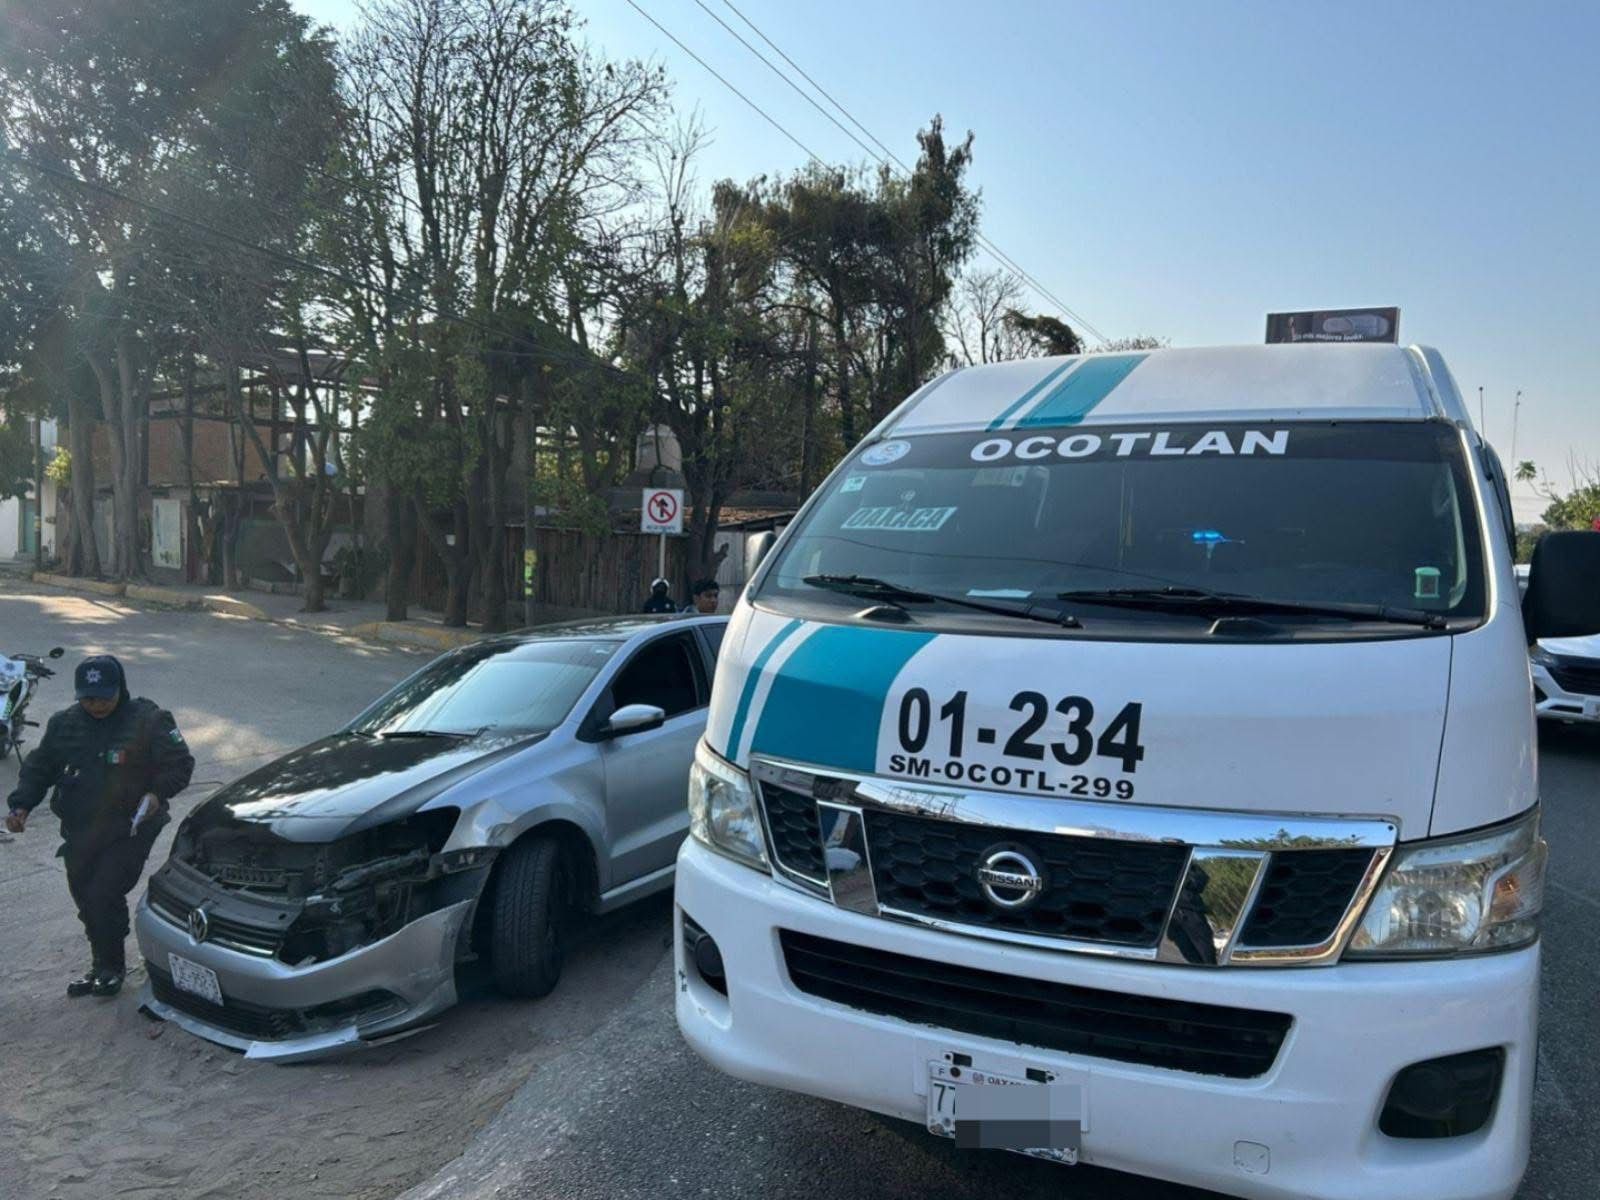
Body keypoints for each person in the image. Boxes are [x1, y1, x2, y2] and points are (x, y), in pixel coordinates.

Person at [4, 655, 194, 997]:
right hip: (82, 827)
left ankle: (111, 969)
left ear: (119, 688)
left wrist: (156, 793)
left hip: (131, 826)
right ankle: (100, 964)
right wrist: (21, 805)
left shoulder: (149, 719)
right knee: (84, 895)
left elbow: (180, 765)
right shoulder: (65, 724)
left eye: (105, 697)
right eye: (89, 698)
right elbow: (40, 767)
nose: (97, 705)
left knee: (104, 891)